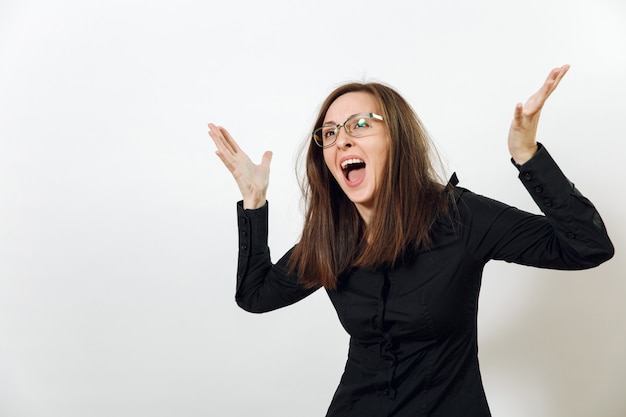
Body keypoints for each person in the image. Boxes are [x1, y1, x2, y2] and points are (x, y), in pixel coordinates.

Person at [208, 65, 614, 417]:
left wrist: (527, 155)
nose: (342, 139)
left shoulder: (460, 218)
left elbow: (587, 245)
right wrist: (254, 202)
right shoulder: (331, 238)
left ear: (397, 139)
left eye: (360, 124)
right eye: (329, 132)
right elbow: (255, 295)